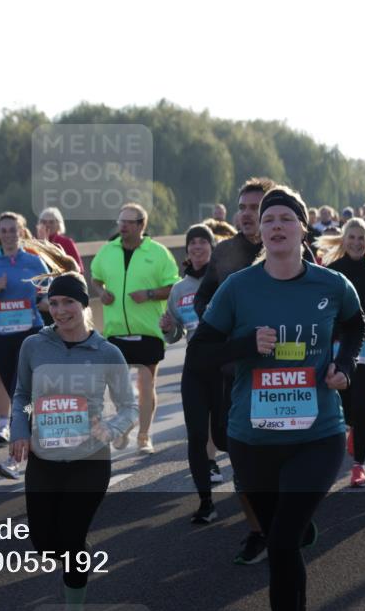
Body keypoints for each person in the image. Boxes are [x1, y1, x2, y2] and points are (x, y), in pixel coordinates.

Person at [186, 185, 365, 611]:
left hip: (318, 435)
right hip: (253, 438)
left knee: (283, 542)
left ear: (302, 228)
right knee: (282, 542)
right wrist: (247, 345)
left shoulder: (330, 285)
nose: (277, 226)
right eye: (269, 220)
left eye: (286, 218)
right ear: (260, 232)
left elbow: (355, 324)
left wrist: (343, 367)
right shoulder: (238, 287)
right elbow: (200, 355)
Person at [9, 272, 138, 611]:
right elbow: (21, 395)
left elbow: (129, 406)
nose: (60, 310)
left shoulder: (107, 352)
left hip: (90, 460)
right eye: (54, 303)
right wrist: (20, 431)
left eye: (68, 303)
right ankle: (74, 556)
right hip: (45, 459)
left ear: (84, 305)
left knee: (71, 536)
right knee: (44, 542)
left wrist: (111, 430)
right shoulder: (34, 346)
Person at [193, 177, 314, 562]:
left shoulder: (298, 250)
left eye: (255, 208)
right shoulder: (225, 252)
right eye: (242, 207)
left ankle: (283, 520)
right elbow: (202, 303)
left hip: (288, 373)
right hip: (236, 373)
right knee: (237, 453)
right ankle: (259, 529)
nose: (247, 214)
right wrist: (233, 331)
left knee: (286, 456)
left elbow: (319, 303)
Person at [90, 203, 179, 454]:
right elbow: (95, 275)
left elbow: (174, 286)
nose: (123, 226)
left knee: (146, 384)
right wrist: (101, 291)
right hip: (116, 330)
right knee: (119, 388)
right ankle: (124, 426)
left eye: (129, 222)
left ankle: (144, 436)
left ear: (142, 225)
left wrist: (150, 294)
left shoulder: (159, 253)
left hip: (149, 330)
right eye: (120, 221)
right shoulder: (107, 251)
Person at [0, 212, 50, 480]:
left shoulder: (34, 261)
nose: (8, 234)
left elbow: (51, 291)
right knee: (22, 397)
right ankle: (33, 441)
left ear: (21, 231)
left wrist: (46, 301)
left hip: (31, 334)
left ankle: (14, 459)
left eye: (13, 230)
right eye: (3, 230)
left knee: (21, 396)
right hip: (2, 338)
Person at [318, 219, 365, 486]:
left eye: (361, 237)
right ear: (343, 239)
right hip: (341, 346)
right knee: (346, 406)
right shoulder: (333, 272)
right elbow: (323, 308)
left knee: (361, 406)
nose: (356, 242)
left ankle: (359, 466)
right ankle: (350, 427)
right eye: (351, 237)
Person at [159, 225, 226, 513]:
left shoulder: (225, 281)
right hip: (195, 366)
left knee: (225, 433)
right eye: (192, 243)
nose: (197, 247)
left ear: (212, 248)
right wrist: (167, 329)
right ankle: (205, 502)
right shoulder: (179, 289)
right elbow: (174, 335)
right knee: (196, 434)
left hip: (224, 365)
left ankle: (254, 486)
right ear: (187, 250)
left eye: (203, 242)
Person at [36, 207, 83, 272]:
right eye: (44, 222)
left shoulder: (66, 242)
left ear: (58, 224)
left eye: (51, 222)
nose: (47, 225)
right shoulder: (33, 242)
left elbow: (79, 268)